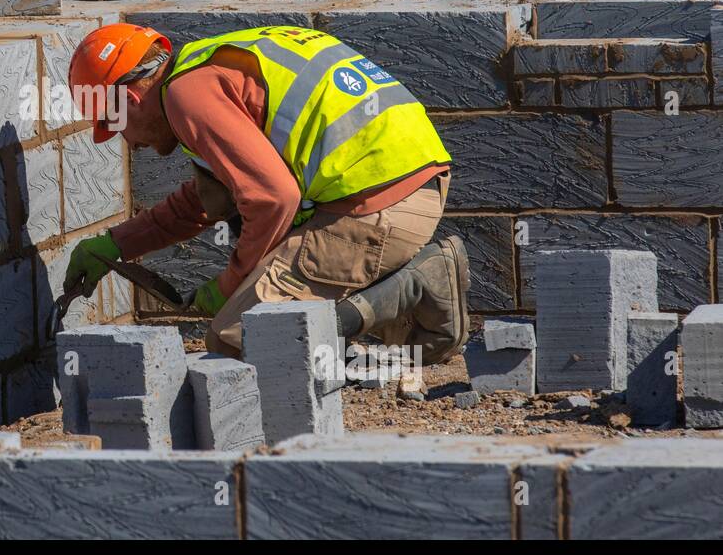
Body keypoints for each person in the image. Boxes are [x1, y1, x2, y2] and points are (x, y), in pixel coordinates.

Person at [63, 21, 469, 362]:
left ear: (130, 100)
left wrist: (229, 285)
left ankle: (414, 290)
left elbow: (273, 198)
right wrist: (116, 243)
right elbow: (210, 198)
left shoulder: (188, 97)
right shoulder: (209, 68)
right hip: (413, 182)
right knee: (262, 319)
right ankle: (407, 296)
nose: (128, 143)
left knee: (237, 340)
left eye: (112, 124)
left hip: (379, 205)